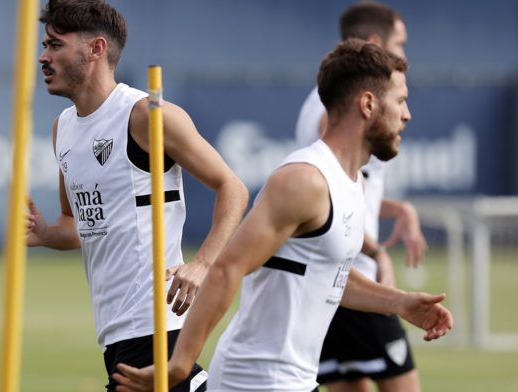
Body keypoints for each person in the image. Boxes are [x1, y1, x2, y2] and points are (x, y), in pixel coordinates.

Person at [113, 39, 453, 392]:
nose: (407, 114)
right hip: (255, 382)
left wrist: (399, 302)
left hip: (296, 381)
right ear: (368, 104)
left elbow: (331, 275)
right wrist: (180, 364)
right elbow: (228, 268)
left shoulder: (352, 183)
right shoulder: (303, 180)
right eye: (400, 101)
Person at [27, 1, 249, 391]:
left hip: (153, 322)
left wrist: (201, 265)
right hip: (114, 331)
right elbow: (77, 226)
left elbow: (233, 187)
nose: (42, 57)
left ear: (96, 49)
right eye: (44, 45)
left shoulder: (146, 114)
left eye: (55, 45)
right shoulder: (61, 128)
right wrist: (45, 234)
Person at [294, 3, 428, 391]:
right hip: (351, 274)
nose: (406, 115)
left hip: (334, 274)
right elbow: (334, 203)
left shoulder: (322, 103)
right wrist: (376, 253)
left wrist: (399, 208)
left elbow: (346, 193)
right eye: (400, 44)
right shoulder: (339, 121)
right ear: (376, 43)